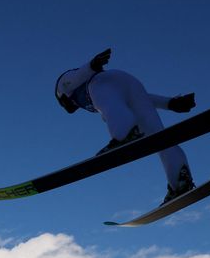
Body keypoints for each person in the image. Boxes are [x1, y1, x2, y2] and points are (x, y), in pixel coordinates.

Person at [55, 48, 197, 204]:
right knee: (159, 138)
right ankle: (180, 181)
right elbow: (142, 98)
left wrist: (92, 65)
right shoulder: (95, 91)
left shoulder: (64, 86)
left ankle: (124, 134)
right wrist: (170, 103)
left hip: (104, 81)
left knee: (101, 96)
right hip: (130, 84)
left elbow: (75, 77)